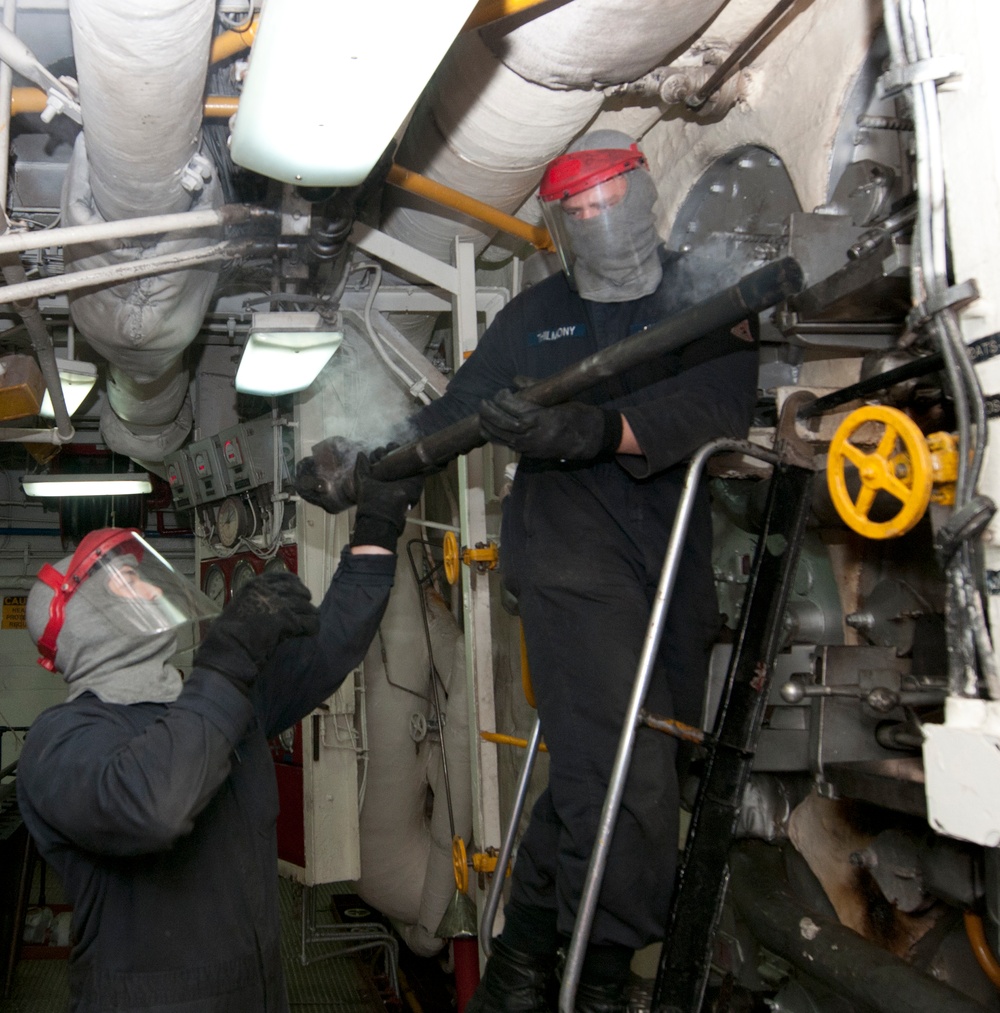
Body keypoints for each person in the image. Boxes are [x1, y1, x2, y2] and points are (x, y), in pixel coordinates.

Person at [410, 129, 760, 1011]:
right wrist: (375, 454)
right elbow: (457, 409)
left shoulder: (705, 294)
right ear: (558, 225)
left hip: (671, 556)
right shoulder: (537, 315)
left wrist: (600, 430)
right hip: (569, 555)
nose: (595, 218)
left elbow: (714, 405)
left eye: (607, 197)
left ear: (642, 191)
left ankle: (524, 959)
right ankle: (597, 979)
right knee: (632, 774)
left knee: (608, 770)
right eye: (575, 208)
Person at [15, 454, 421, 1013]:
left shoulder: (222, 702)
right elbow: (154, 804)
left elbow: (333, 644)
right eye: (130, 580)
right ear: (88, 621)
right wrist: (228, 658)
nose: (155, 588)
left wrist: (378, 523)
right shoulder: (59, 742)